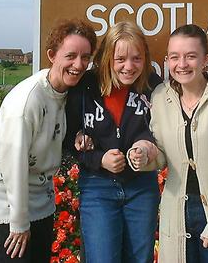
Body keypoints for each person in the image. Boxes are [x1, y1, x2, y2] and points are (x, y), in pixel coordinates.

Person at [0, 19, 97, 262]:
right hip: (4, 203)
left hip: (40, 198)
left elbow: (61, 133)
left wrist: (79, 136)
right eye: (70, 56)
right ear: (52, 55)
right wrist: (18, 222)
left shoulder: (68, 93)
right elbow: (12, 163)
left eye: (85, 57)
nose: (78, 64)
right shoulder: (28, 100)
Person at [132, 24, 208, 263]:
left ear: (205, 60)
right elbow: (161, 155)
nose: (182, 64)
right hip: (177, 212)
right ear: (167, 60)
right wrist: (144, 155)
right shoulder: (160, 96)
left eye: (191, 56)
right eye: (175, 57)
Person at [64, 21, 162, 263]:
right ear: (107, 57)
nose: (129, 67)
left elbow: (161, 132)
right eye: (120, 59)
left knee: (140, 259)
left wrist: (145, 147)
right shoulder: (85, 86)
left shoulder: (153, 85)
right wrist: (99, 158)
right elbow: (68, 139)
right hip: (98, 187)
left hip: (141, 187)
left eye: (136, 59)